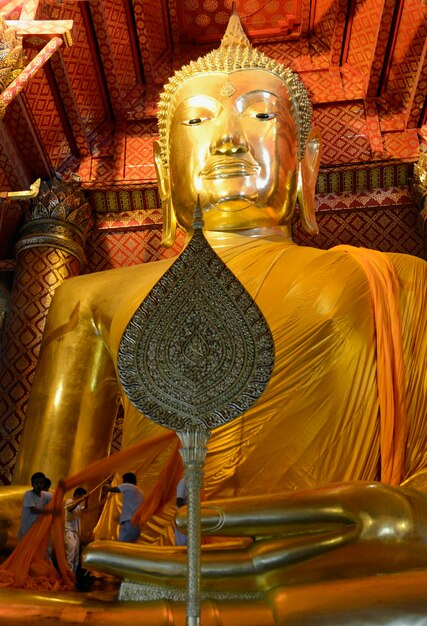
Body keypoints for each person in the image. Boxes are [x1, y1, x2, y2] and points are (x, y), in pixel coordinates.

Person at [4, 9, 427, 624]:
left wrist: (407, 519)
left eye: (259, 114)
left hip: (338, 583)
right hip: (145, 586)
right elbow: (44, 502)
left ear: (307, 164)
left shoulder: (401, 280)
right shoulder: (91, 297)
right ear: (162, 170)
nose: (228, 138)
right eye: (198, 121)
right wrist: (29, 528)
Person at [105, 473, 144, 543]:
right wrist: (120, 517)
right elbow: (132, 508)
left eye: (123, 481)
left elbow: (112, 489)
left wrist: (106, 484)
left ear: (127, 480)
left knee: (120, 548)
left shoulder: (128, 486)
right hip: (138, 526)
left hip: (129, 524)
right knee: (129, 549)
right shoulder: (141, 493)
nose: (122, 483)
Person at [18, 471, 52, 541]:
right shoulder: (29, 494)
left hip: (36, 531)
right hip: (26, 531)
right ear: (32, 484)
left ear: (44, 485)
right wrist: (50, 512)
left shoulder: (44, 495)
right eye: (36, 483)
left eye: (41, 483)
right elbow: (33, 510)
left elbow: (56, 497)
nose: (39, 485)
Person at [64, 487, 87, 574]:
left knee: (76, 555)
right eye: (81, 496)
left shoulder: (78, 505)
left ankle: (73, 574)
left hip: (76, 532)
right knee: (71, 553)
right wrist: (80, 500)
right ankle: (69, 574)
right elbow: (69, 509)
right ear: (77, 495)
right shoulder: (70, 501)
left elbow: (84, 508)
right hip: (69, 531)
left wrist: (86, 500)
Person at [174, 477, 187, 546]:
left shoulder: (195, 482)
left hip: (191, 518)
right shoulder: (184, 482)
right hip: (184, 519)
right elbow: (179, 501)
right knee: (183, 544)